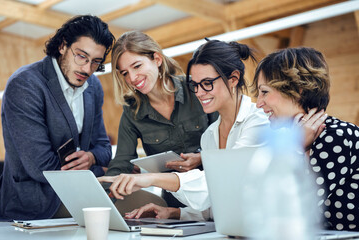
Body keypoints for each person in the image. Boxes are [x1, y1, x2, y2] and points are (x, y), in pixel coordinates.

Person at [99, 39, 270, 220]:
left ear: (233, 79)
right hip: (231, 224)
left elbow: (220, 182)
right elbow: (217, 200)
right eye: (196, 85)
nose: (199, 93)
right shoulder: (210, 136)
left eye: (207, 83)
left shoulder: (258, 123)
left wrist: (150, 178)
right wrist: (175, 213)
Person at [0, 15, 115, 221]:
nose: (87, 69)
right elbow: (41, 167)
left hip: (84, 196)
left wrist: (91, 158)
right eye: (81, 56)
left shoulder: (93, 86)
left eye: (96, 62)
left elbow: (103, 148)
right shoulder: (25, 85)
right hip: (37, 205)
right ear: (62, 46)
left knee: (149, 207)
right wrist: (99, 170)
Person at [103, 31, 218, 209]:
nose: (132, 79)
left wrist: (201, 157)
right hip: (173, 204)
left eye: (137, 66)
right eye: (124, 73)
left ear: (157, 59)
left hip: (216, 192)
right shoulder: (132, 112)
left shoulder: (196, 89)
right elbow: (121, 163)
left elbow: (228, 146)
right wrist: (103, 193)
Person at [252, 47, 359, 231]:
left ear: (298, 90)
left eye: (265, 92)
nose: (258, 103)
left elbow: (291, 209)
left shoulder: (334, 137)